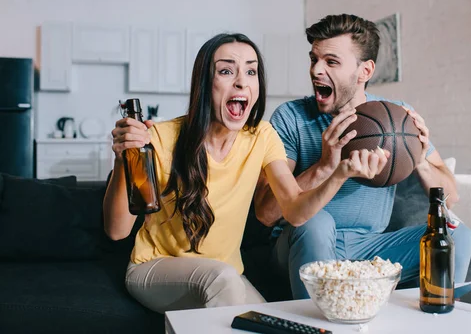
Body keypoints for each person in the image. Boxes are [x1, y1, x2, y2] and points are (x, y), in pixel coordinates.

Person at [103, 33, 389, 313]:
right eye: (226, 71)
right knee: (221, 279)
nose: (241, 81)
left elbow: (295, 212)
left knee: (275, 323)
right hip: (153, 270)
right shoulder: (161, 138)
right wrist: (122, 160)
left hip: (224, 276)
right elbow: (117, 231)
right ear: (205, 83)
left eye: (251, 71)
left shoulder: (261, 136)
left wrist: (340, 172)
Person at [253, 14, 471, 300]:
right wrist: (325, 166)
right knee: (317, 223)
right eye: (314, 59)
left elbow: (450, 196)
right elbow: (266, 213)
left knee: (457, 236)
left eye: (331, 62)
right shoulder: (291, 117)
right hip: (301, 240)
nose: (316, 70)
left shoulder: (398, 119)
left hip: (371, 247)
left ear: (365, 71)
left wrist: (417, 158)